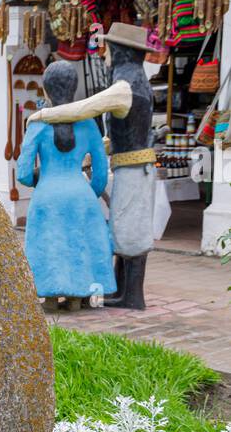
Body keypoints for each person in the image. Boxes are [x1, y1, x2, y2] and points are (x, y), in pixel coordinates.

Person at [16, 60, 117, 312]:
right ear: (74, 88)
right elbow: (101, 173)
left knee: (49, 244)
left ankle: (49, 297)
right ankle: (77, 298)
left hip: (47, 194)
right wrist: (87, 193)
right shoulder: (88, 123)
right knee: (79, 244)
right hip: (80, 193)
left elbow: (24, 173)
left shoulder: (37, 124)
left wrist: (44, 181)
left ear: (46, 89)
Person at [102, 23, 156, 311]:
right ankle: (123, 290)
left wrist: (47, 114)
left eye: (109, 49)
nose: (105, 56)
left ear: (119, 51)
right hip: (132, 165)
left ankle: (132, 295)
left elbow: (89, 106)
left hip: (134, 168)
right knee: (124, 226)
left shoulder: (126, 85)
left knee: (129, 229)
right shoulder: (134, 81)